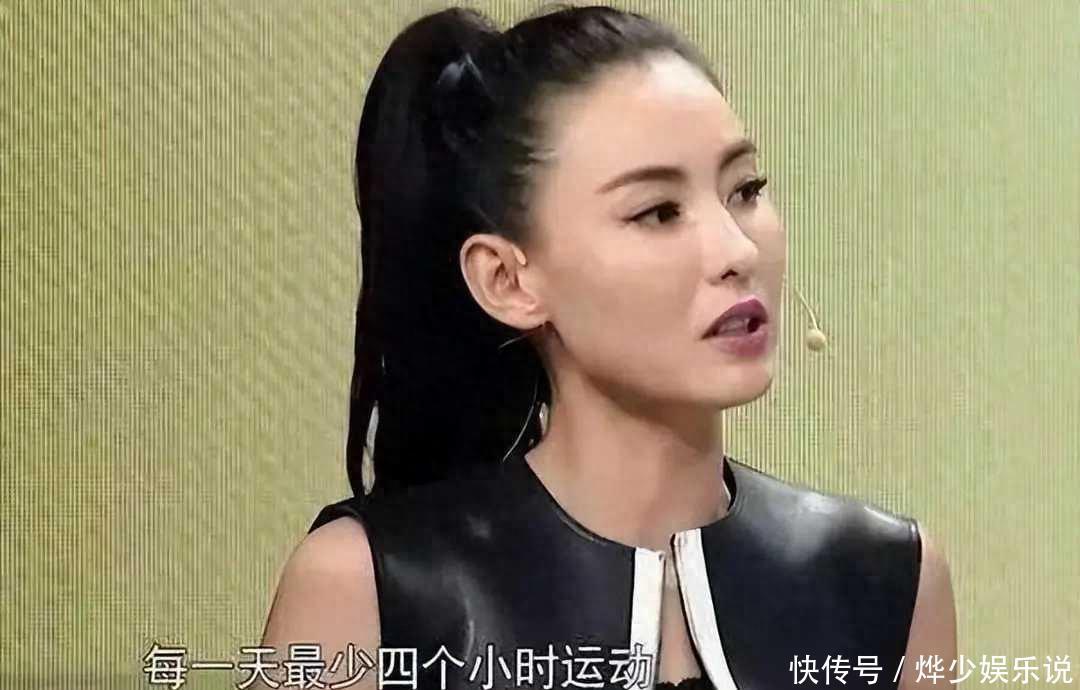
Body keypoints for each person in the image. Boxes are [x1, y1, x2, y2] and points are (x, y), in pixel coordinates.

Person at [259, 5, 957, 689]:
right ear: (507, 280)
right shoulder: (366, 587)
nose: (737, 251)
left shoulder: (887, 580)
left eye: (744, 189)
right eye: (658, 212)